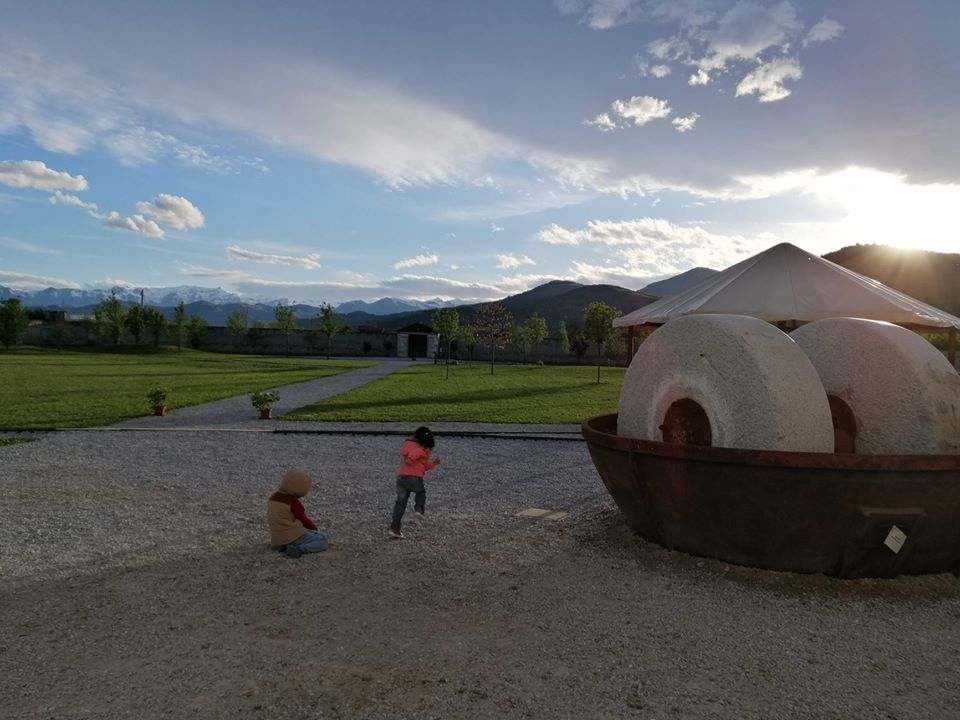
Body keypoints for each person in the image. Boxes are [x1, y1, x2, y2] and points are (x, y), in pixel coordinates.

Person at [389, 426, 440, 539]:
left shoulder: (409, 445)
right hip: (414, 477)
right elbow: (416, 453)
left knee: (400, 504)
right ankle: (419, 509)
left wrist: (434, 464)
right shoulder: (420, 448)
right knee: (421, 492)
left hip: (402, 478)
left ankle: (395, 529)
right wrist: (411, 459)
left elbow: (424, 465)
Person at [267, 469, 328, 559]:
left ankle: (285, 546)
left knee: (321, 535)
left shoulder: (273, 497)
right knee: (322, 540)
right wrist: (313, 528)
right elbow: (304, 520)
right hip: (291, 537)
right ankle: (299, 549)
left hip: (277, 538)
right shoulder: (293, 503)